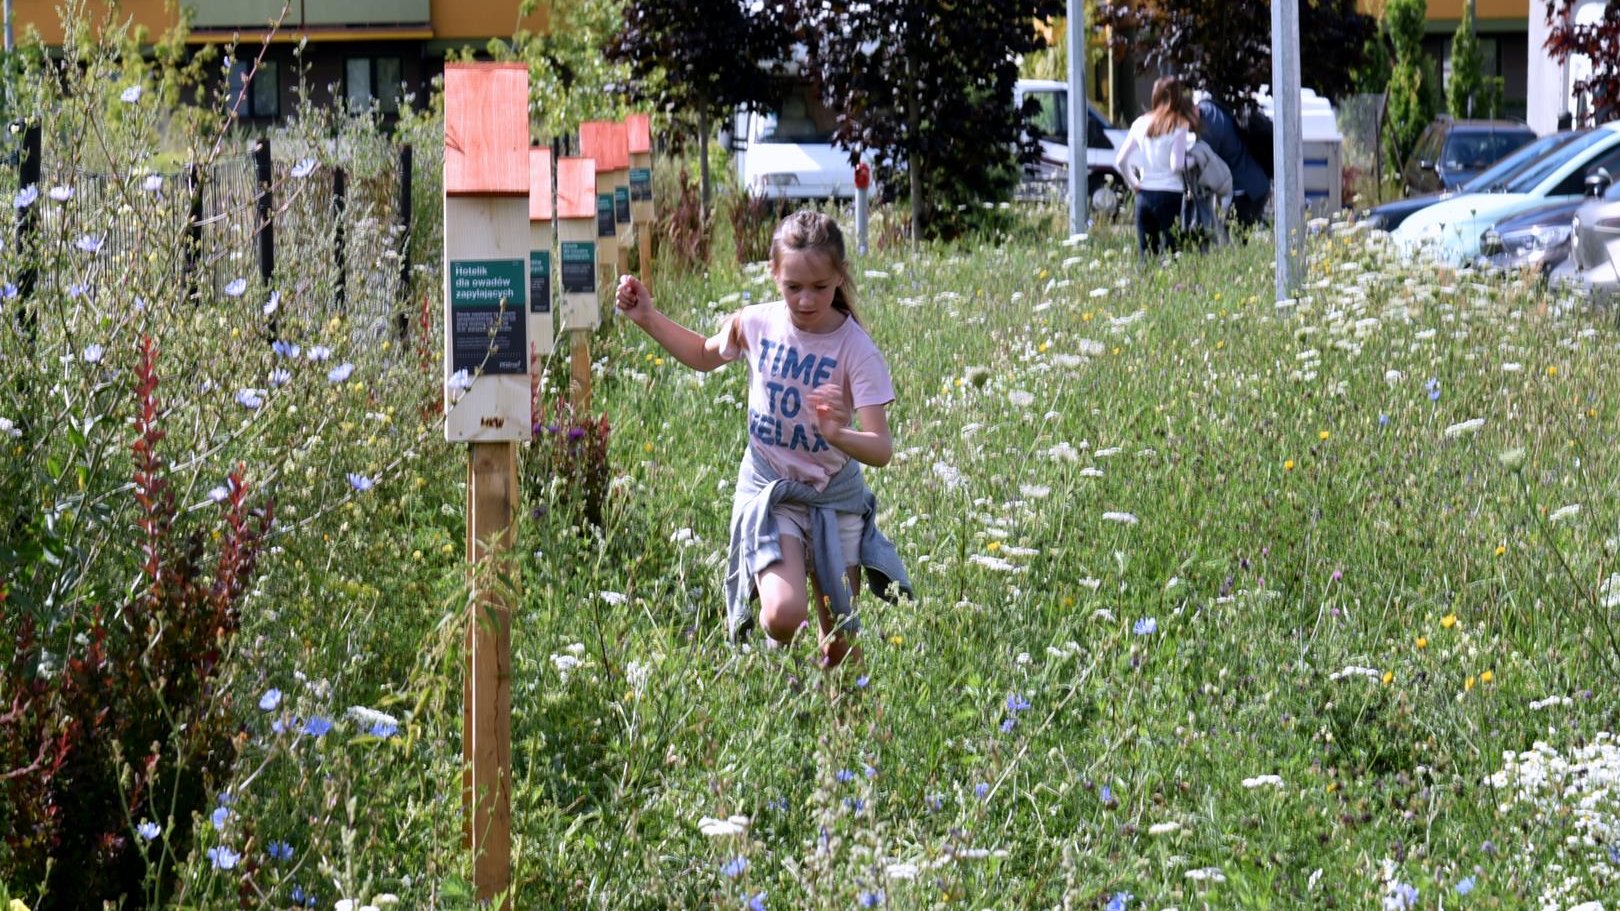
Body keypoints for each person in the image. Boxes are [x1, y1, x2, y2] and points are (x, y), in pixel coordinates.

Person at [614, 211, 911, 670]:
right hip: (772, 492)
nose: (807, 299)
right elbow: (700, 355)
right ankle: (786, 676)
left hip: (834, 498)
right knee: (781, 615)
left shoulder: (857, 350)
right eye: (794, 287)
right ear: (774, 274)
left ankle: (842, 732)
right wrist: (647, 317)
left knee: (838, 641)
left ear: (839, 277)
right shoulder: (754, 323)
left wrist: (836, 433)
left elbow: (881, 448)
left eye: (820, 286)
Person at [1114, 75, 1198, 257]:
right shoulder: (1179, 123)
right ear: (1177, 97)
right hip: (1170, 195)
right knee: (1172, 253)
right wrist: (1193, 161)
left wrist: (1134, 183)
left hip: (1144, 195)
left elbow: (1121, 159)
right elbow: (1176, 165)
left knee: (1147, 256)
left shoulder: (1140, 123)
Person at [1195, 96, 1271, 230]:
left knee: (1235, 240)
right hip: (1255, 184)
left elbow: (1204, 168)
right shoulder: (1207, 107)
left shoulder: (1210, 129)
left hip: (1245, 191)